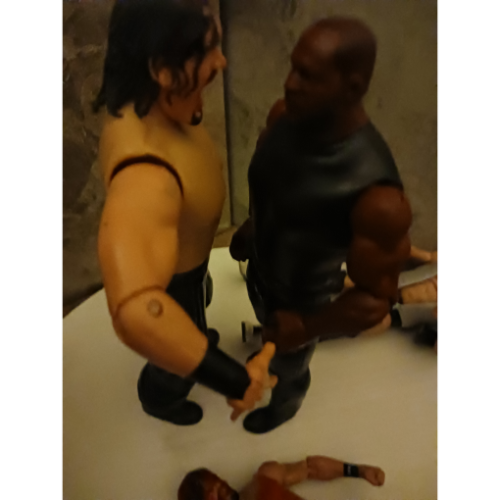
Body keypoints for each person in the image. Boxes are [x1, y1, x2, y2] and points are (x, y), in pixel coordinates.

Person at [94, 0, 276, 427]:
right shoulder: (145, 174)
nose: (222, 61)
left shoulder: (156, 106)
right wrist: (232, 378)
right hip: (177, 276)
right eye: (208, 49)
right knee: (177, 357)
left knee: (197, 308)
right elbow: (138, 310)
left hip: (192, 255)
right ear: (162, 70)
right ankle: (160, 395)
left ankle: (191, 328)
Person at [229, 16, 413, 434]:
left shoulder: (379, 200)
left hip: (303, 302)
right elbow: (273, 189)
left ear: (352, 87)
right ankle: (274, 346)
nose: (289, 84)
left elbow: (376, 300)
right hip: (259, 269)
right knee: (267, 330)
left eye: (307, 76)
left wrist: (306, 328)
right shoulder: (282, 118)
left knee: (289, 366)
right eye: (292, 68)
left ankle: (287, 401)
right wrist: (253, 228)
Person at [178, 455, 385, 499]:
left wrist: (359, 470)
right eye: (210, 494)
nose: (219, 489)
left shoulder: (264, 479)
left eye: (216, 482)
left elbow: (310, 468)